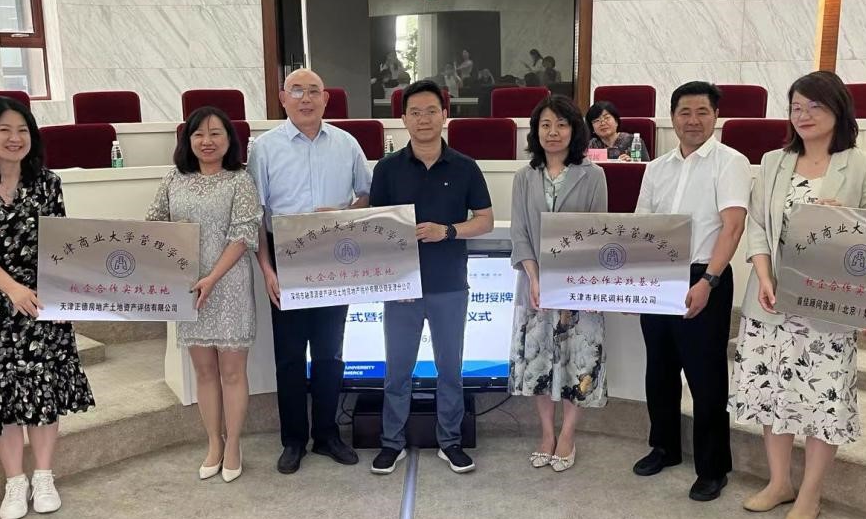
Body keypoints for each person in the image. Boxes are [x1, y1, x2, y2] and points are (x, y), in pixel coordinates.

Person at [731, 71, 866, 519]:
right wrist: (763, 276)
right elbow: (758, 225)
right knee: (772, 391)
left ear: (838, 110)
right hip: (772, 297)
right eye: (796, 107)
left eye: (814, 106)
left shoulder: (860, 165)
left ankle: (811, 493)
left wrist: (847, 219)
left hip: (828, 302)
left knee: (823, 397)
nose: (803, 115)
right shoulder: (774, 161)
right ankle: (779, 481)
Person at [0, 96, 94, 519]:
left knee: (42, 386)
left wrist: (63, 293)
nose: (15, 138)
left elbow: (61, 242)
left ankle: (44, 475)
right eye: (4, 130)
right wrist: (12, 288)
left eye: (22, 130)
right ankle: (14, 481)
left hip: (41, 300)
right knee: (0, 391)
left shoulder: (47, 183)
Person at [248, 69, 373, 474]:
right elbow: (256, 215)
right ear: (282, 98)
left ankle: (327, 435)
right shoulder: (264, 148)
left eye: (313, 91)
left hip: (335, 258)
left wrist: (343, 212)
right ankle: (293, 440)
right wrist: (267, 269)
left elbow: (367, 194)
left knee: (329, 353)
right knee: (288, 356)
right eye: (297, 91)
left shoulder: (346, 143)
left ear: (326, 99)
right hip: (285, 258)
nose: (306, 98)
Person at [368, 80, 494, 475]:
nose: (423, 119)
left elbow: (485, 220)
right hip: (402, 287)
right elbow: (376, 228)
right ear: (403, 119)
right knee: (397, 370)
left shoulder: (465, 166)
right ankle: (391, 443)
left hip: (449, 285)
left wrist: (449, 231)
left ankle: (450, 441)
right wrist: (394, 280)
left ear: (445, 116)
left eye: (431, 111)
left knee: (450, 369)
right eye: (415, 112)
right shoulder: (387, 169)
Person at [634, 81, 750, 502]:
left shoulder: (730, 162)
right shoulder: (656, 167)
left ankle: (713, 468)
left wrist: (708, 281)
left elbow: (732, 227)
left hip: (705, 276)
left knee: (706, 377)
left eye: (702, 111)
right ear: (672, 118)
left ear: (716, 116)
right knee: (659, 369)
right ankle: (664, 447)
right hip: (658, 275)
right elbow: (642, 227)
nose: (693, 120)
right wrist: (630, 286)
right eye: (685, 112)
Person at [146, 107, 262, 483]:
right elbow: (154, 223)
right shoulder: (173, 179)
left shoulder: (240, 180)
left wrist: (212, 277)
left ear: (229, 140)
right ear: (188, 140)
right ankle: (214, 441)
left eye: (215, 134)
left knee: (232, 371)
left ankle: (234, 445)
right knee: (204, 371)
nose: (207, 141)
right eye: (198, 134)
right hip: (187, 287)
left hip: (228, 287)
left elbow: (244, 234)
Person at [509, 95, 609, 471]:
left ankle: (567, 434)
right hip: (534, 286)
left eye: (562, 125)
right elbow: (520, 233)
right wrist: (535, 278)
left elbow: (597, 233)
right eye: (546, 125)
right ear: (536, 131)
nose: (553, 132)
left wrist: (572, 287)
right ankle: (546, 433)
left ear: (574, 130)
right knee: (538, 363)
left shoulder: (592, 175)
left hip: (580, 287)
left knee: (576, 362)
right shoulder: (524, 177)